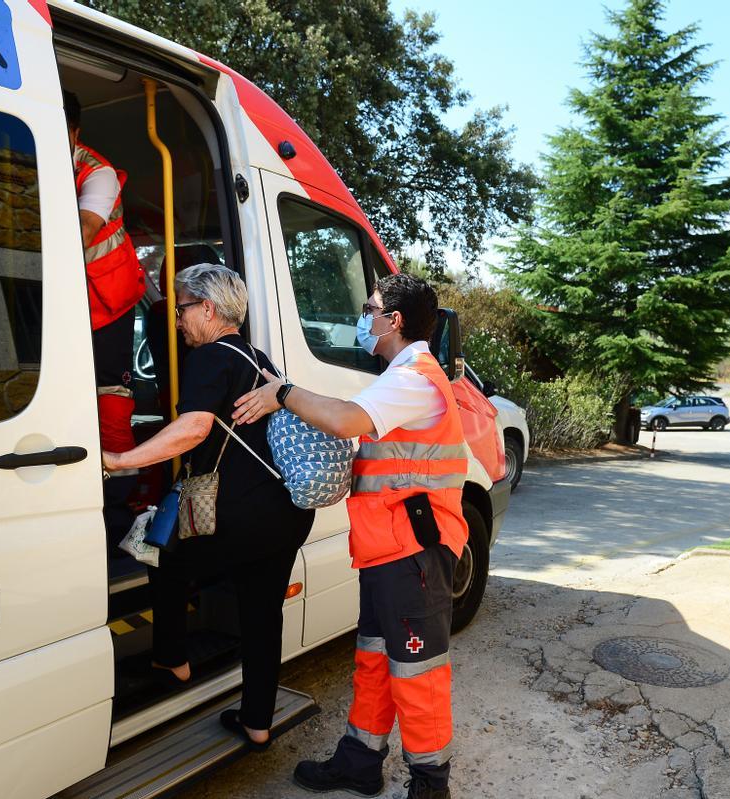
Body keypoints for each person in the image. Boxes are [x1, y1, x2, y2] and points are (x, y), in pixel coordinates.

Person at [233, 273, 468, 799]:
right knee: (375, 661)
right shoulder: (402, 376)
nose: (364, 318)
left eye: (370, 309)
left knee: (418, 672)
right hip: (390, 548)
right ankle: (360, 762)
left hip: (414, 553)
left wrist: (283, 394)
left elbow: (344, 420)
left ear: (394, 321)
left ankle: (431, 784)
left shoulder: (415, 379)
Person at [101, 264, 314, 748]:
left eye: (181, 310)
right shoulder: (258, 358)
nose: (177, 320)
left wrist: (121, 460)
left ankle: (172, 659)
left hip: (241, 517)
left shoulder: (210, 357)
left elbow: (194, 429)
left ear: (208, 308)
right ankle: (257, 722)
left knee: (159, 551)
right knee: (263, 616)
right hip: (286, 512)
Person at [64, 90, 147, 550]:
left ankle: (119, 506)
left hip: (108, 304)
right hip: (69, 302)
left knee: (110, 398)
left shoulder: (97, 173)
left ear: (75, 132)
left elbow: (83, 230)